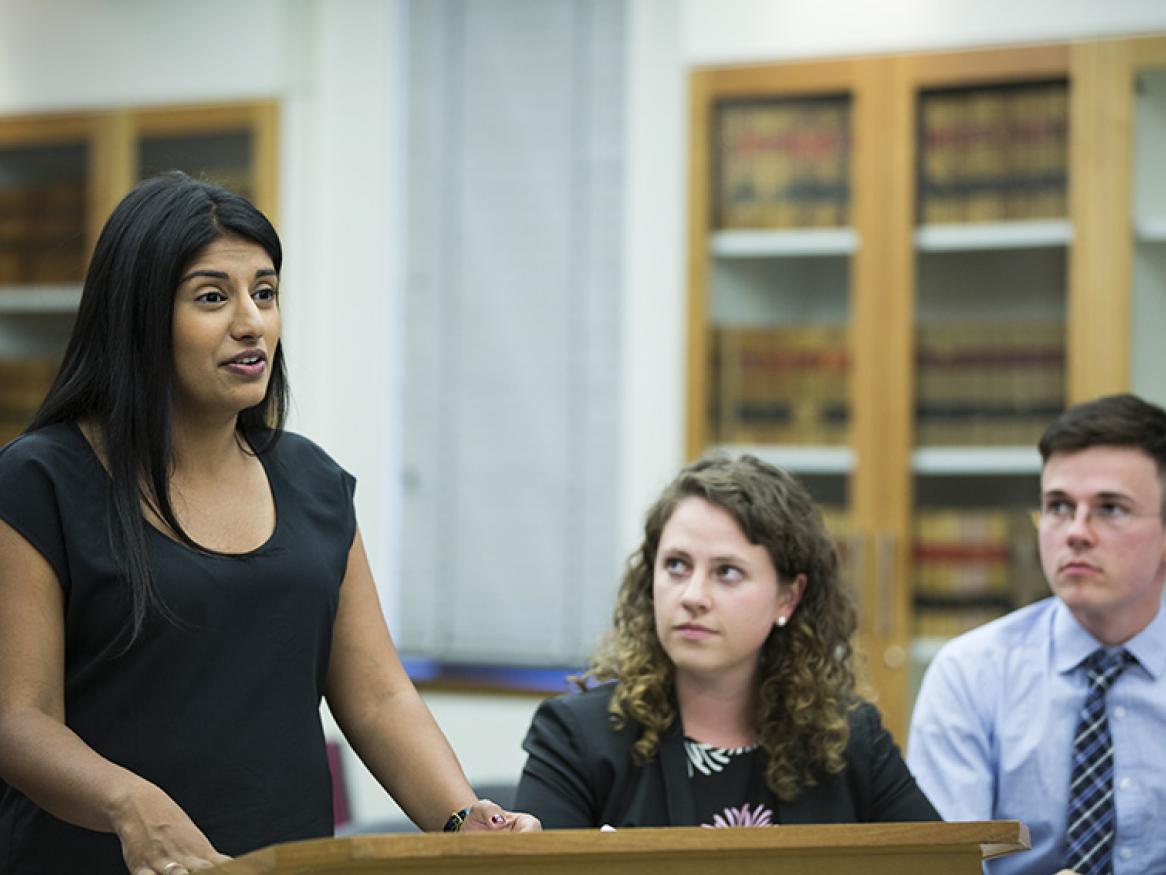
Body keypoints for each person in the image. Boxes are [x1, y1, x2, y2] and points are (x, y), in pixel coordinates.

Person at [0, 173, 538, 875]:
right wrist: (130, 804)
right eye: (212, 296)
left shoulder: (313, 483)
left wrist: (463, 816)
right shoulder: (39, 480)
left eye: (265, 291)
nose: (251, 322)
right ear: (137, 316)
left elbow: (377, 695)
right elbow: (19, 719)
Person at [514, 454, 938, 828]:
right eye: (677, 565)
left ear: (787, 597)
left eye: (727, 572)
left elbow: (942, 863)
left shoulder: (850, 739)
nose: (693, 596)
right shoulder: (576, 735)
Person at [907, 393, 1166, 875]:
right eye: (1058, 506)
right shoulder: (970, 672)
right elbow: (942, 867)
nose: (1076, 532)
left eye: (1110, 509)